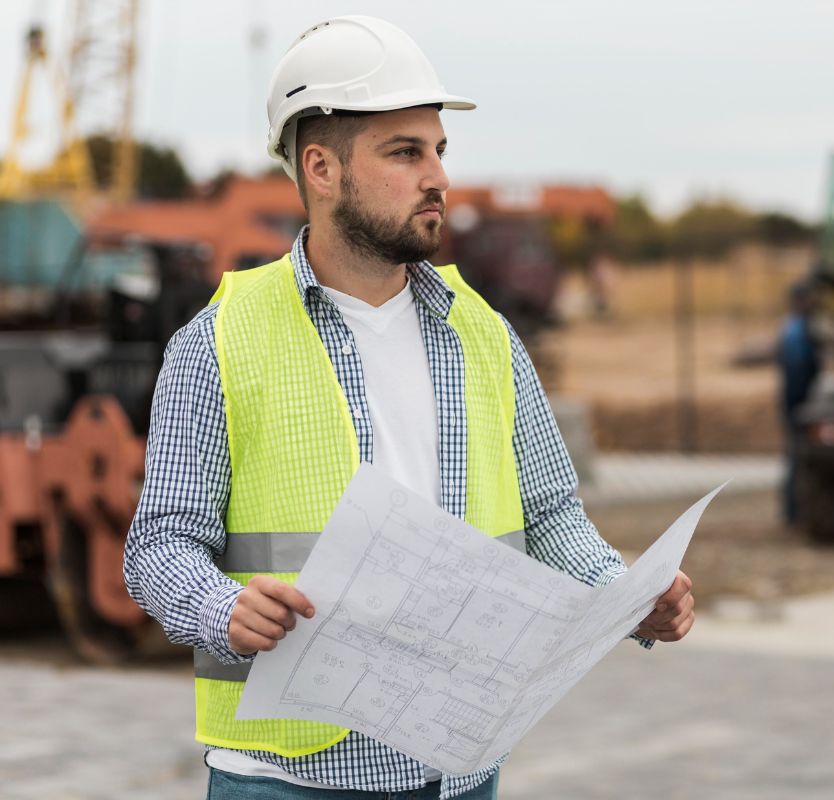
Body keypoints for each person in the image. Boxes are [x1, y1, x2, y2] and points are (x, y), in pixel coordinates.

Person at [123, 16, 694, 800]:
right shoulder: (217, 343)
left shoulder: (485, 335)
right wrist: (220, 607)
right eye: (405, 152)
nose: (439, 177)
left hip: (457, 771)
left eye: (439, 151)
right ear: (321, 169)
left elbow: (551, 514)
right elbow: (157, 546)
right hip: (288, 779)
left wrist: (623, 598)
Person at [778, 280, 820, 524]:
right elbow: (797, 370)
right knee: (796, 456)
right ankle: (793, 511)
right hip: (797, 402)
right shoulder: (796, 332)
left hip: (796, 402)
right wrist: (799, 406)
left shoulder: (795, 328)